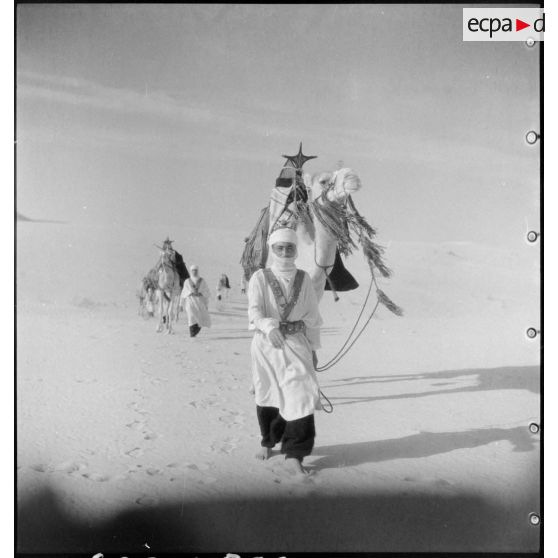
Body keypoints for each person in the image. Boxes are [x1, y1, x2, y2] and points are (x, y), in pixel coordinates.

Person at [248, 226, 322, 478]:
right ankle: (268, 442)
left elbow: (313, 316)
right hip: (268, 346)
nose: (285, 252)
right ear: (272, 249)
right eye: (280, 247)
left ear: (296, 250)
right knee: (270, 395)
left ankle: (295, 454)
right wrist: (269, 327)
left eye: (290, 247)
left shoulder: (304, 279)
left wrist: (313, 347)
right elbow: (255, 311)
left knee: (301, 394)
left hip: (297, 344)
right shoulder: (259, 277)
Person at [180, 264, 211, 337]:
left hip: (199, 302)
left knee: (200, 318)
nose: (194, 272)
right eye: (193, 271)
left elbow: (207, 292)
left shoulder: (202, 281)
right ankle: (192, 333)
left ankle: (196, 330)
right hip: (190, 302)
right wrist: (180, 304)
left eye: (195, 270)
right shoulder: (187, 281)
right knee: (191, 317)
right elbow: (183, 293)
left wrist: (206, 304)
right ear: (190, 271)